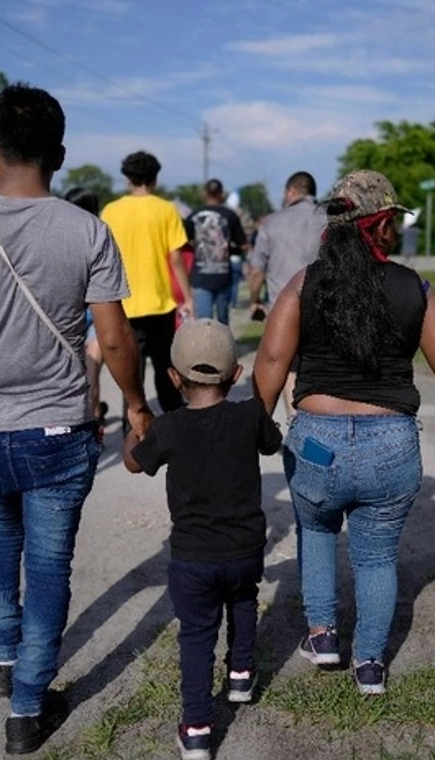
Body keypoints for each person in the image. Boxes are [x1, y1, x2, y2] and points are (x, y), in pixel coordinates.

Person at [0, 84, 153, 756]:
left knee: (0, 535)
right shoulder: (86, 230)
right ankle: (25, 708)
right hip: (58, 428)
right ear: (61, 154)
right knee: (48, 563)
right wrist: (134, 403)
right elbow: (117, 339)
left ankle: (6, 656)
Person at [252, 170, 435, 696]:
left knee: (316, 532)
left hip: (316, 443)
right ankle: (370, 665)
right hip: (390, 448)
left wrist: (259, 417)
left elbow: (272, 357)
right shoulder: (415, 289)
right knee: (377, 556)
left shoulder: (303, 283)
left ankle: (321, 636)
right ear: (381, 224)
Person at [123, 319, 283, 760]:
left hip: (193, 559)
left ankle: (196, 729)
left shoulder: (169, 429)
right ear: (235, 375)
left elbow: (134, 465)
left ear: (174, 378)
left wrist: (134, 431)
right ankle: (241, 676)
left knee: (196, 636)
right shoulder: (250, 415)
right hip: (245, 550)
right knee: (244, 601)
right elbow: (273, 443)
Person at [101, 151, 195, 414]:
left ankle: (132, 426)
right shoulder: (166, 210)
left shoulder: (110, 211)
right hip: (160, 302)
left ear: (127, 178)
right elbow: (176, 259)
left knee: (131, 372)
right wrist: (186, 297)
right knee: (166, 367)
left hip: (124, 303)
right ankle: (174, 419)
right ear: (154, 178)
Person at [247, 171, 324, 416]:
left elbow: (256, 271)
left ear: (291, 191)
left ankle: (295, 419)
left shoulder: (272, 222)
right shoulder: (330, 221)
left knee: (289, 367)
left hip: (284, 309)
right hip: (325, 308)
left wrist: (254, 300)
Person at [62, 186, 110, 430]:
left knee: (73, 375)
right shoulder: (102, 236)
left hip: (69, 313)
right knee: (92, 373)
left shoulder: (58, 238)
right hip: (98, 311)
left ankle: (85, 419)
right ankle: (95, 420)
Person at [184, 179, 247, 326]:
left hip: (200, 276)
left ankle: (205, 349)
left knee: (203, 323)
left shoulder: (193, 216)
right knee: (223, 321)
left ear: (204, 194)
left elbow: (183, 243)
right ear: (221, 194)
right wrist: (228, 249)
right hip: (223, 275)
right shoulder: (230, 215)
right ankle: (224, 348)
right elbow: (244, 245)